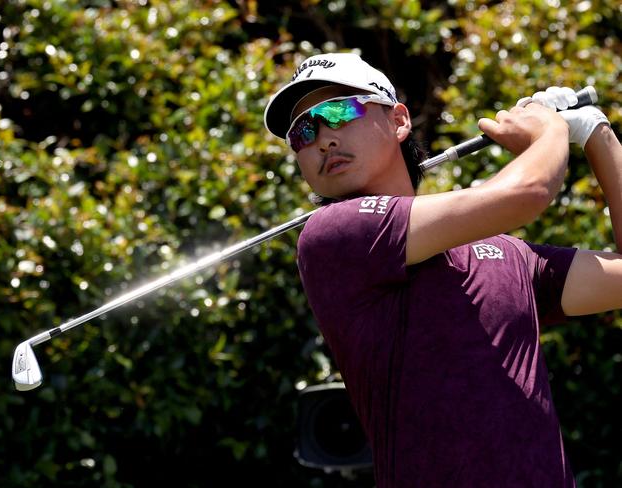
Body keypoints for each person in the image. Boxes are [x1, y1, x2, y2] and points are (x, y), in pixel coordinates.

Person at [263, 52, 622, 487]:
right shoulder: (333, 235)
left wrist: (597, 135)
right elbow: (528, 191)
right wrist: (551, 129)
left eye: (339, 111)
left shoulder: (507, 254)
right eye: (303, 132)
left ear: (398, 121)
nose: (322, 139)